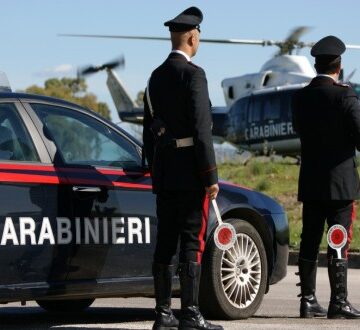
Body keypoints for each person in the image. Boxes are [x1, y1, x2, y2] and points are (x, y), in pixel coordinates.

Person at [142, 6, 223, 330]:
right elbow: (203, 131)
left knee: (165, 241)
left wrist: (156, 170)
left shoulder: (155, 77)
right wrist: (210, 176)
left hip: (165, 173)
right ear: (192, 36)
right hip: (191, 174)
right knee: (192, 241)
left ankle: (163, 315)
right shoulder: (194, 75)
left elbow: (149, 132)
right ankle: (189, 313)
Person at [292, 35, 360, 319]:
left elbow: (299, 130)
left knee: (309, 239)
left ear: (315, 63)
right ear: (339, 66)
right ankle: (339, 301)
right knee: (338, 238)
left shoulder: (301, 97)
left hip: (311, 179)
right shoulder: (345, 95)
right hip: (340, 182)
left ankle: (307, 300)